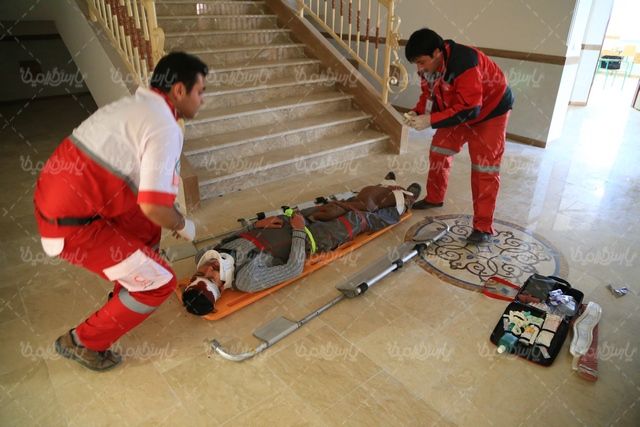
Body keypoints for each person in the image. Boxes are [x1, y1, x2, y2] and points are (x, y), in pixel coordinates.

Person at [33, 52, 208, 371]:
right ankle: (82, 342)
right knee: (161, 282)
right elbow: (154, 205)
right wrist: (183, 224)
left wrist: (167, 216)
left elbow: (149, 196)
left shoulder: (136, 108)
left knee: (147, 230)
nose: (202, 100)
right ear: (179, 90)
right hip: (72, 225)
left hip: (62, 199)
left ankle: (125, 294)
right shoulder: (164, 126)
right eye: (200, 91)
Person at [182, 175, 421, 315]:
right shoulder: (247, 280)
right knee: (359, 219)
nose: (210, 267)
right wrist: (298, 230)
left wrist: (257, 224)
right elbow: (294, 268)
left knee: (340, 206)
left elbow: (231, 238)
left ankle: (384, 191)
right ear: (221, 287)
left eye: (201, 273)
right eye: (211, 277)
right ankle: (402, 204)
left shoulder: (204, 256)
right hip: (312, 238)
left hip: (288, 222)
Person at [403, 28, 514, 243]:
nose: (419, 68)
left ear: (437, 53)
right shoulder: (429, 67)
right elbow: (429, 95)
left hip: (491, 112)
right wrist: (417, 112)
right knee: (439, 150)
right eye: (416, 63)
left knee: (484, 168)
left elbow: (471, 109)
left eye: (421, 62)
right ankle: (434, 198)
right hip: (460, 109)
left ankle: (483, 227)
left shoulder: (465, 62)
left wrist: (431, 120)